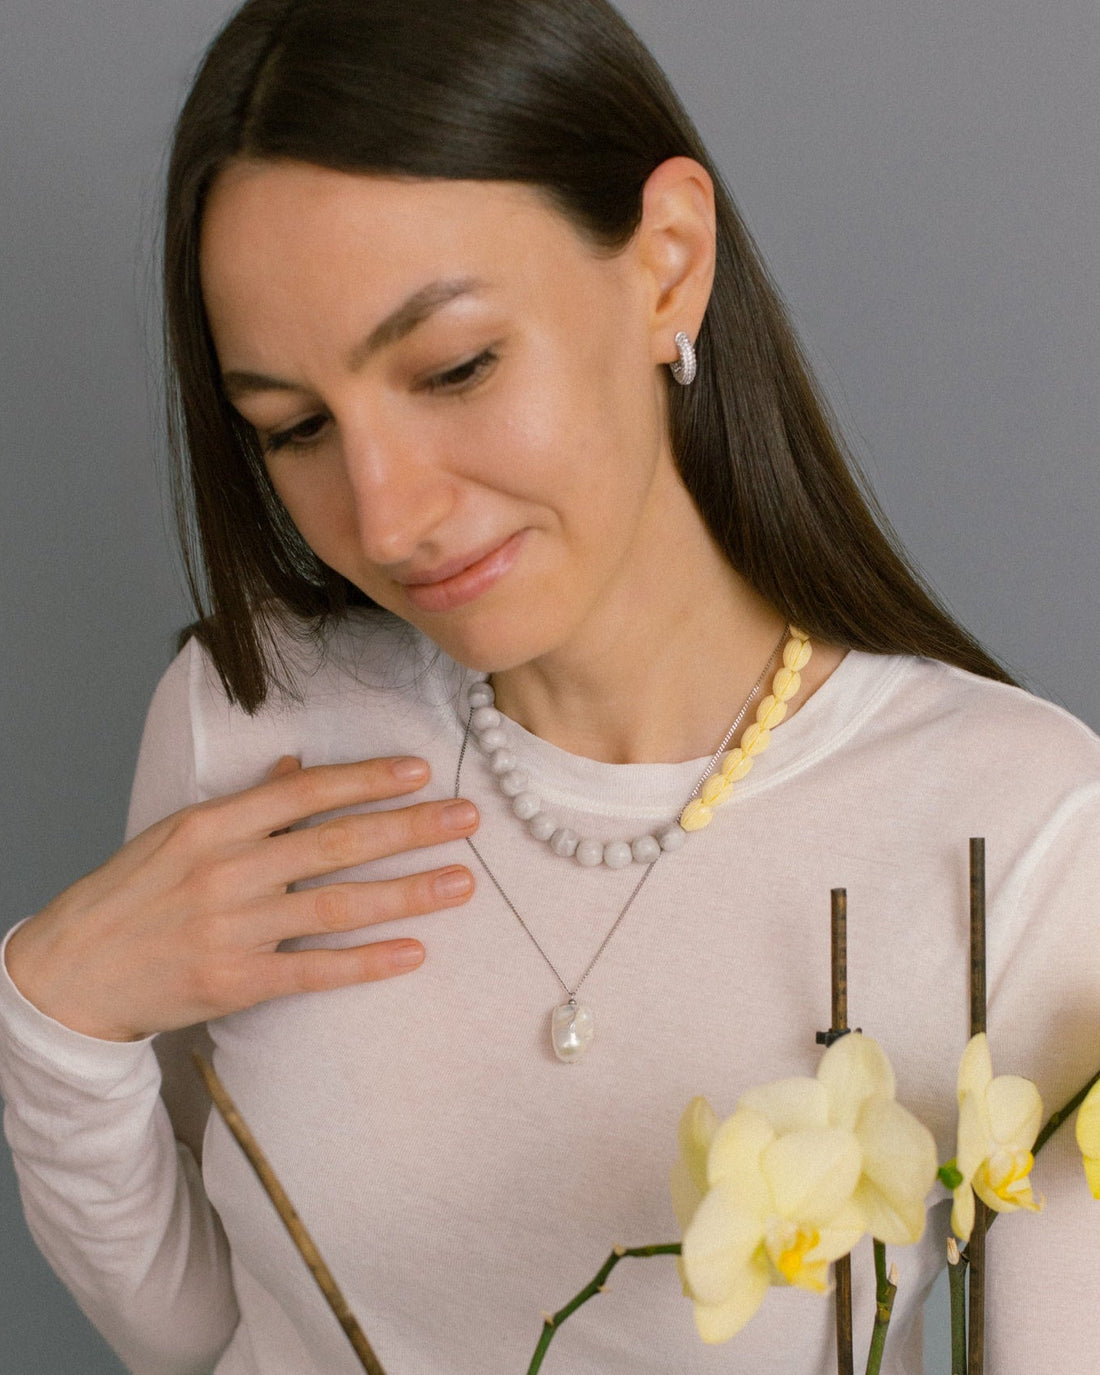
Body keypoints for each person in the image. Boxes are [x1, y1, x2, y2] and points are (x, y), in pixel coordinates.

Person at [0, 0, 1097, 1371]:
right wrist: (55, 1021)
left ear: (668, 267)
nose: (387, 513)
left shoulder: (1021, 832)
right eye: (294, 429)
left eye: (455, 368)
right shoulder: (250, 722)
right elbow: (219, 1335)